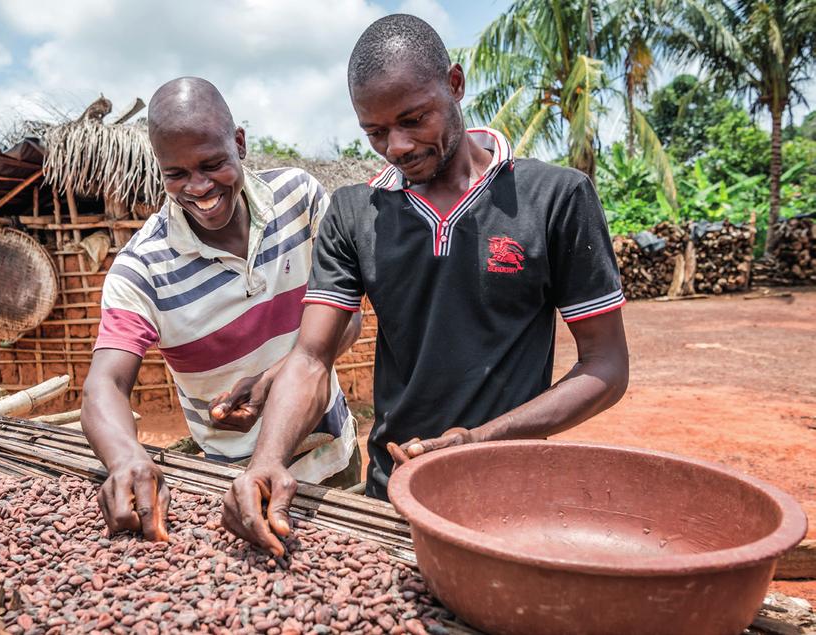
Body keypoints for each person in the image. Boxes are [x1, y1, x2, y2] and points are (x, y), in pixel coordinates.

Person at [222, 14, 629, 556]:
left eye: (414, 120)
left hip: (512, 495)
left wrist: (476, 442)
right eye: (375, 132)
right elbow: (312, 357)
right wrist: (268, 459)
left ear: (455, 85)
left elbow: (605, 368)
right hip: (392, 494)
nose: (396, 146)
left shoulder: (553, 198)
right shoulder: (355, 213)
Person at [82, 77, 362, 541]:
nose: (199, 188)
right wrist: (126, 457)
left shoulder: (301, 200)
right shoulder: (141, 269)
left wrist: (274, 379)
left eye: (212, 164)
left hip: (332, 457)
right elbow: (103, 385)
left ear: (239, 143)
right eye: (176, 174)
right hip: (232, 487)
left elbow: (347, 319)